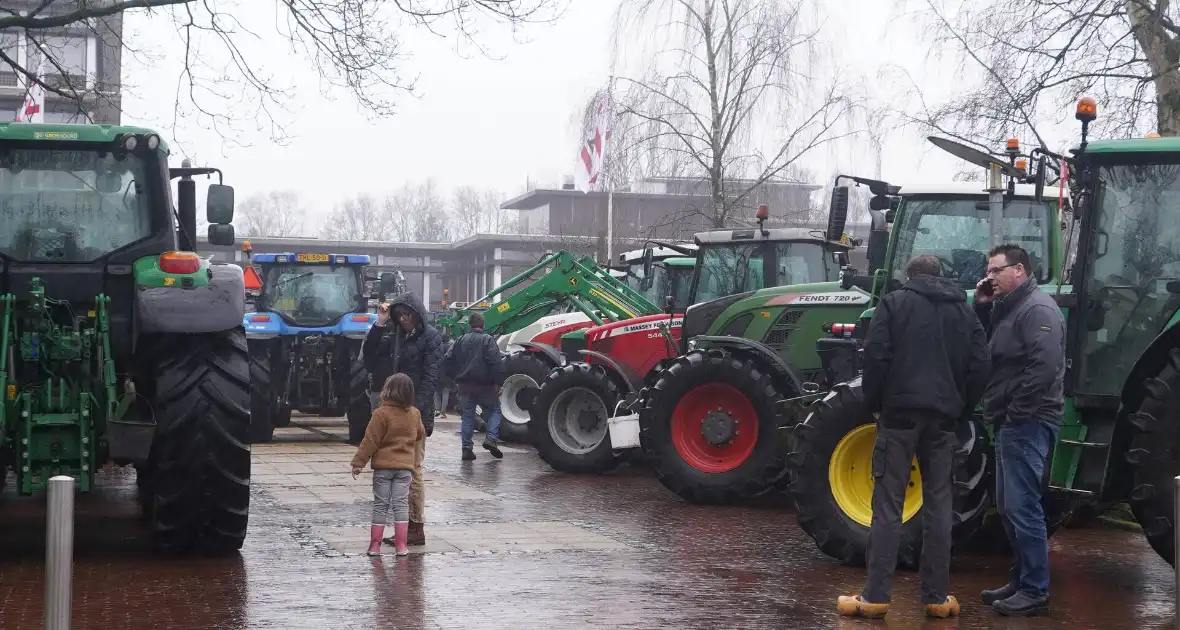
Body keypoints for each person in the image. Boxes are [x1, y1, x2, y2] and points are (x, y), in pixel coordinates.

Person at [837, 254, 990, 620]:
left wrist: (875, 404)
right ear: (940, 275)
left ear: (909, 276)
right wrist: (961, 408)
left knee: (888, 504)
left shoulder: (894, 303)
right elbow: (981, 364)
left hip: (899, 417)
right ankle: (937, 599)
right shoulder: (963, 311)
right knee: (939, 505)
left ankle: (875, 597)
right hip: (943, 421)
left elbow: (875, 356)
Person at [973, 244, 1065, 617]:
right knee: (1010, 507)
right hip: (1010, 420)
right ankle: (1021, 578)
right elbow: (986, 350)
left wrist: (1017, 412)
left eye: (996, 270)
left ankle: (1035, 590)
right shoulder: (1010, 309)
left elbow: (1044, 368)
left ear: (1020, 271)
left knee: (1023, 507)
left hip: (1027, 421)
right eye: (988, 270)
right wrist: (981, 306)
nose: (989, 276)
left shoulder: (1038, 310)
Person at [361, 291, 444, 547]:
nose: (403, 318)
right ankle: (404, 527)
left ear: (417, 314)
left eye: (407, 314)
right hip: (393, 413)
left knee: (413, 469)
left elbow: (431, 378)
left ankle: (415, 527)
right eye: (400, 315)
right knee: (397, 468)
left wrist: (414, 414)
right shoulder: (393, 335)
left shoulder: (430, 338)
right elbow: (370, 358)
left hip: (416, 414)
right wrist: (380, 323)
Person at [350, 373, 426, 557]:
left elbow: (370, 440)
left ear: (387, 390)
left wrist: (358, 463)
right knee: (400, 505)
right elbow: (419, 434)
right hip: (405, 469)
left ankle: (374, 546)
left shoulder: (380, 414)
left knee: (380, 505)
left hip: (383, 469)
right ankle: (401, 546)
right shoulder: (415, 414)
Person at [443, 312, 506, 461]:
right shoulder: (487, 340)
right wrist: (498, 383)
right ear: (482, 325)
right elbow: (495, 362)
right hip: (485, 386)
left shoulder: (459, 340)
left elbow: (447, 360)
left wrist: (455, 379)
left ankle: (466, 449)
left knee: (467, 417)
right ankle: (491, 438)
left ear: (469, 325)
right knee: (495, 410)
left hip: (464, 386)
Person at [435, 335, 456, 419]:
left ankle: (437, 409)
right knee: (445, 393)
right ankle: (443, 412)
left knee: (436, 393)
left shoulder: (437, 347)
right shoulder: (451, 348)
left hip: (437, 372)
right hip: (447, 374)